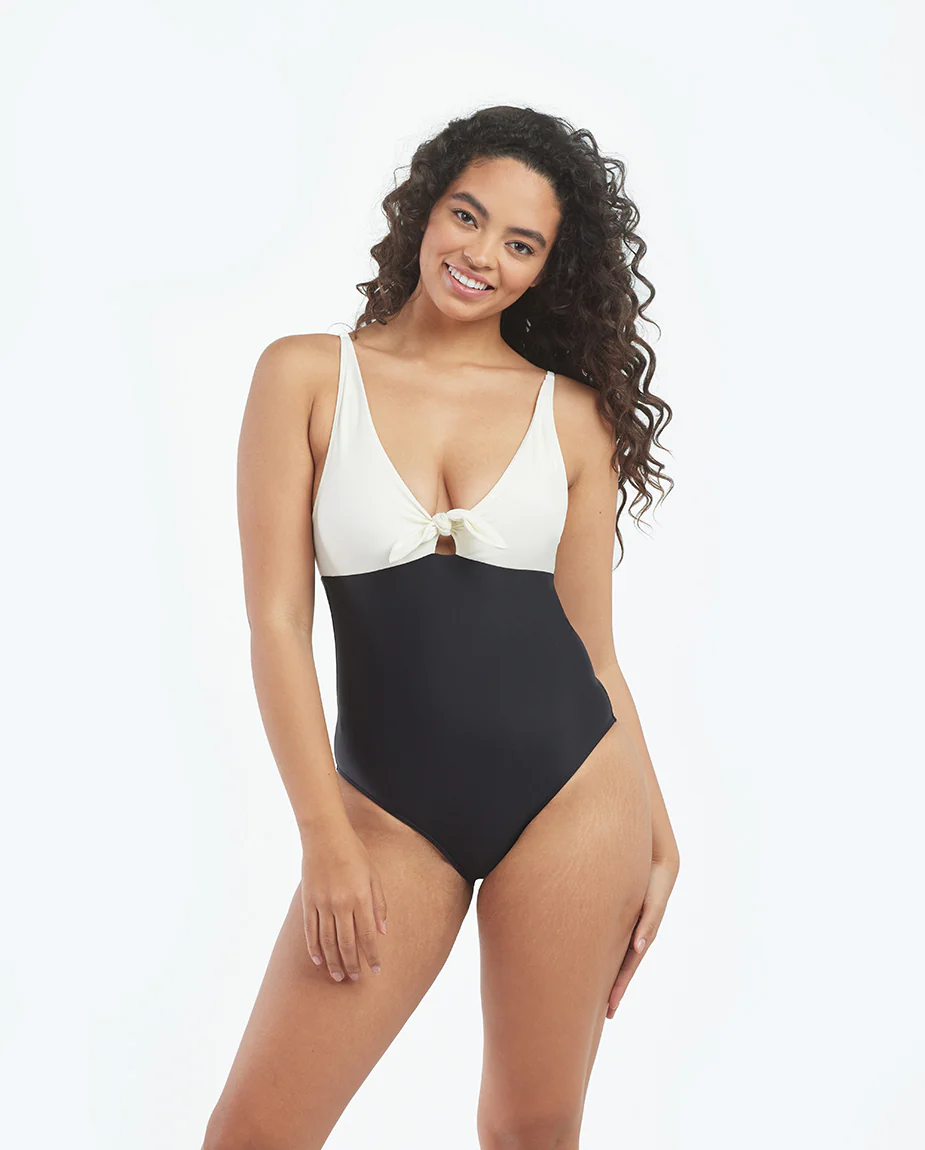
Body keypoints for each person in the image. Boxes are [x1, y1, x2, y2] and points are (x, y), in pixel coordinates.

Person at [203, 104, 680, 1150]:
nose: (482, 255)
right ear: (425, 209)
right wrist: (324, 838)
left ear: (547, 269)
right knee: (255, 1133)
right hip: (385, 815)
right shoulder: (305, 375)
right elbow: (276, 624)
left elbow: (596, 654)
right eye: (468, 216)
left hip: (574, 796)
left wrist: (657, 827)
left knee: (528, 1129)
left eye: (521, 244)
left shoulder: (572, 414)